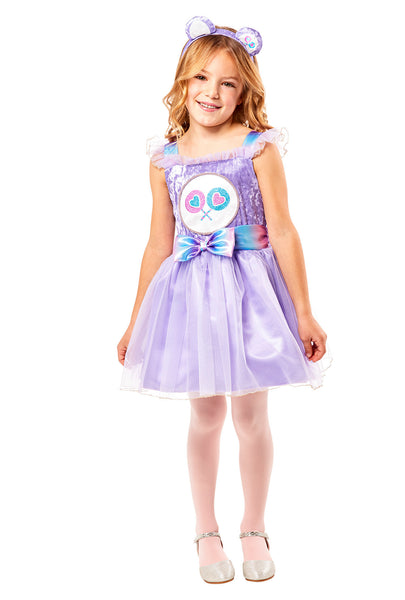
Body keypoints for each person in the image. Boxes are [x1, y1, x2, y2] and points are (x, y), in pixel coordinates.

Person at [117, 16, 332, 584]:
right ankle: (206, 530)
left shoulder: (258, 149)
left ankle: (254, 525)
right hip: (192, 295)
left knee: (251, 414)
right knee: (206, 413)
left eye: (228, 83)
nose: (212, 92)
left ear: (244, 92)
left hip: (251, 294)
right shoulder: (165, 159)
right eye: (201, 79)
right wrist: (135, 322)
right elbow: (158, 243)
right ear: (182, 83)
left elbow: (282, 230)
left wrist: (303, 312)